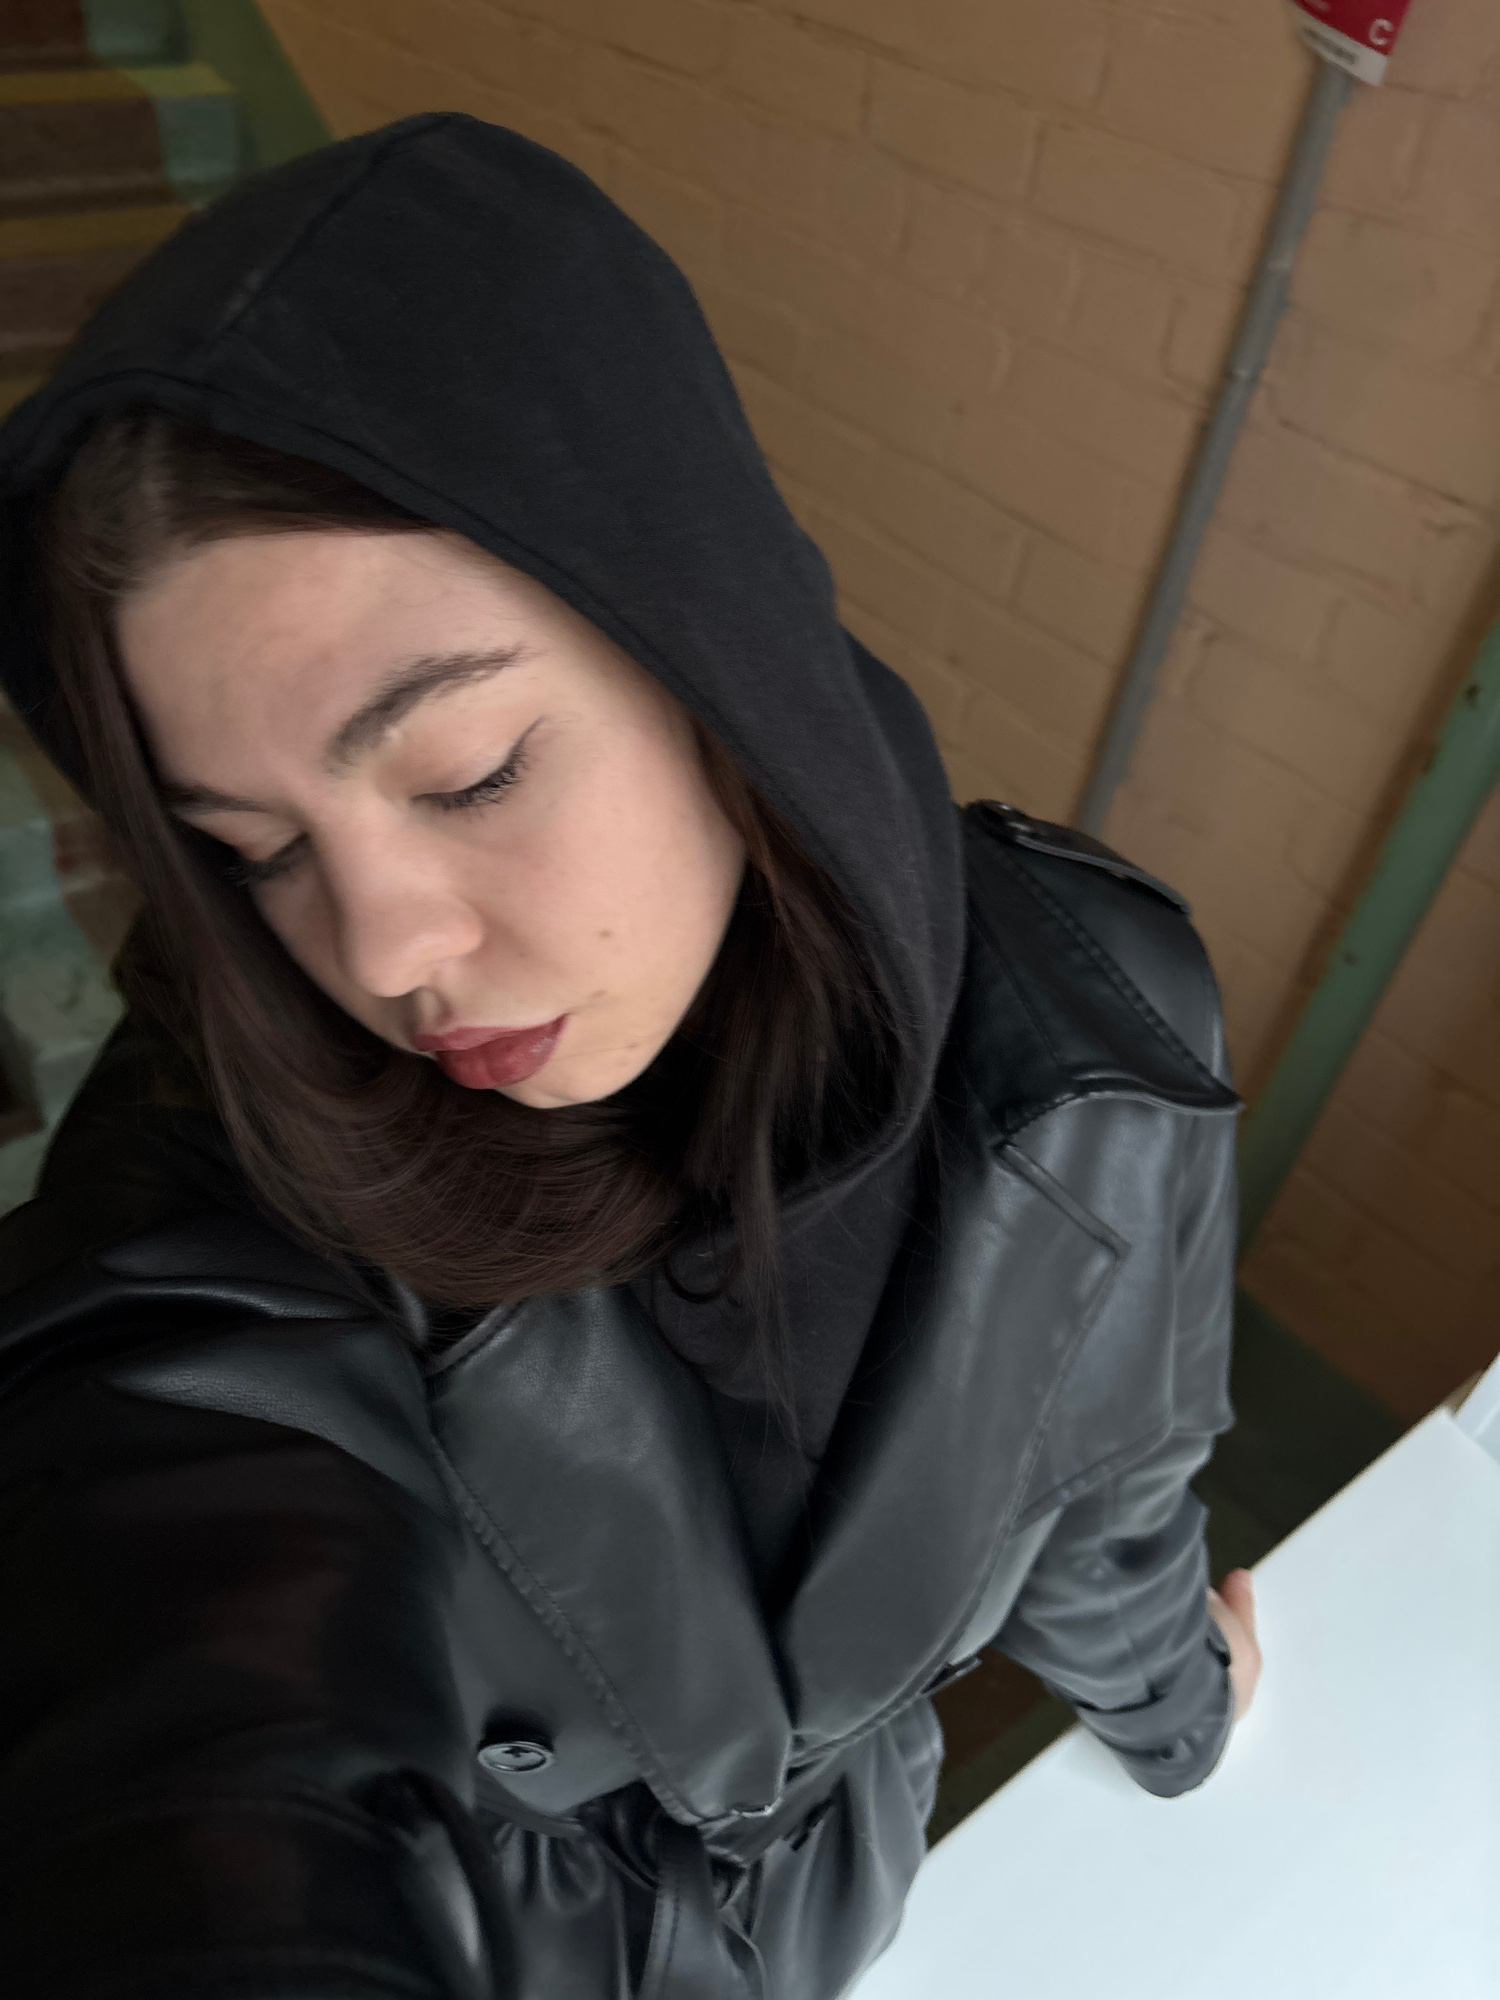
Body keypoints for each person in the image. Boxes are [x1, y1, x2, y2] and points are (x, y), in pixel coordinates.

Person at [0, 114, 1260, 1999]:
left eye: (467, 774)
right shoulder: (230, 1183)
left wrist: (1184, 1716)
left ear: (713, 650)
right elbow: (176, 1663)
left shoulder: (1103, 1028)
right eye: (254, 854)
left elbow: (1105, 1489)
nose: (379, 954)